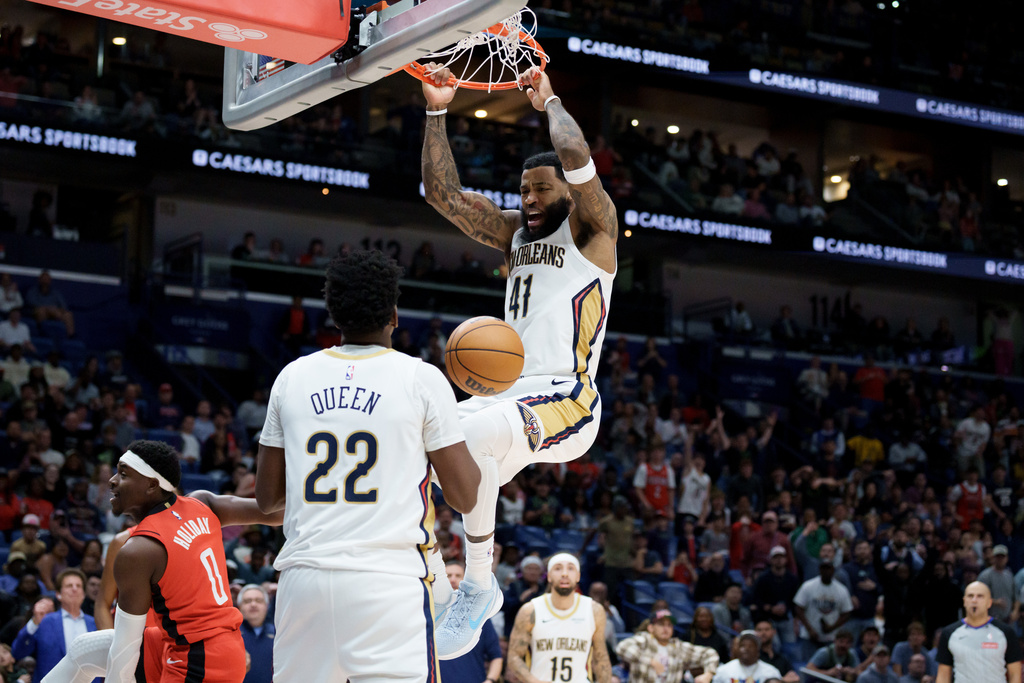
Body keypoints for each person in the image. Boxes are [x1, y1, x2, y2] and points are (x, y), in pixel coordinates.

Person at [421, 63, 618, 657]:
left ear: (567, 191)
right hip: (505, 391)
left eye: (542, 189)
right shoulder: (514, 234)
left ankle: (479, 581)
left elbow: (575, 148)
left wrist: (549, 99)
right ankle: (430, 577)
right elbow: (443, 195)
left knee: (468, 430)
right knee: (427, 439)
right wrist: (436, 109)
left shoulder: (594, 232)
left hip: (568, 397)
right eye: (525, 189)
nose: (529, 198)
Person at [255, 250, 481, 682]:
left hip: (303, 582)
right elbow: (465, 496)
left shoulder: (292, 376)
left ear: (333, 315)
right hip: (387, 583)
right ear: (394, 314)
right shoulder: (422, 378)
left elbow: (268, 500)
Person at [507, 554, 611, 683]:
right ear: (549, 576)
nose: (565, 574)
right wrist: (533, 681)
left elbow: (601, 657)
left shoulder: (594, 610)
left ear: (578, 576)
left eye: (571, 568)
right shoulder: (531, 610)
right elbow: (514, 656)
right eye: (558, 568)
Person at [11, 568, 95, 681]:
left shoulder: (94, 623)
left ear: (84, 594)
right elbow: (18, 652)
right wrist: (35, 622)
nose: (74, 589)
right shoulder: (45, 621)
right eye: (69, 586)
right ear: (58, 594)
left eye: (78, 586)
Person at [935, 581, 1022, 683]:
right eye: (970, 596)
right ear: (964, 601)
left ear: (989, 602)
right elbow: (943, 675)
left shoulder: (1006, 632)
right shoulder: (949, 633)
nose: (974, 600)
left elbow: (1015, 674)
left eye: (980, 596)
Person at [439, 561, 503, 683]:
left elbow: (496, 656)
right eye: (448, 575)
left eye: (458, 576)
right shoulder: (428, 615)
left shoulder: (479, 616)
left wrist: (490, 680)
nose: (453, 580)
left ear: (465, 581)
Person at [616, 608, 719, 683]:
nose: (666, 628)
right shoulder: (644, 640)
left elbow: (710, 653)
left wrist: (708, 674)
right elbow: (621, 647)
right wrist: (650, 661)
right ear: (651, 628)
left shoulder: (678, 647)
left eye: (669, 625)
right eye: (661, 624)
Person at [793, 559, 854, 660]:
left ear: (833, 570)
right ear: (820, 569)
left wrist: (832, 627)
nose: (826, 571)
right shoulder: (808, 586)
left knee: (828, 667)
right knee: (809, 667)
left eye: (828, 568)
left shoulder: (841, 589)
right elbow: (798, 607)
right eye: (824, 568)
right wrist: (809, 629)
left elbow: (847, 612)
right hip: (810, 637)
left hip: (831, 638)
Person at [712, 630, 781, 683]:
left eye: (751, 646)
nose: (746, 649)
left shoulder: (771, 672)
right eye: (742, 646)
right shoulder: (723, 671)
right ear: (737, 648)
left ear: (757, 649)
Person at [238, 584, 273, 683]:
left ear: (267, 606)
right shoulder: (231, 635)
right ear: (240, 607)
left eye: (259, 600)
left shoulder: (279, 633)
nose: (253, 604)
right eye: (247, 601)